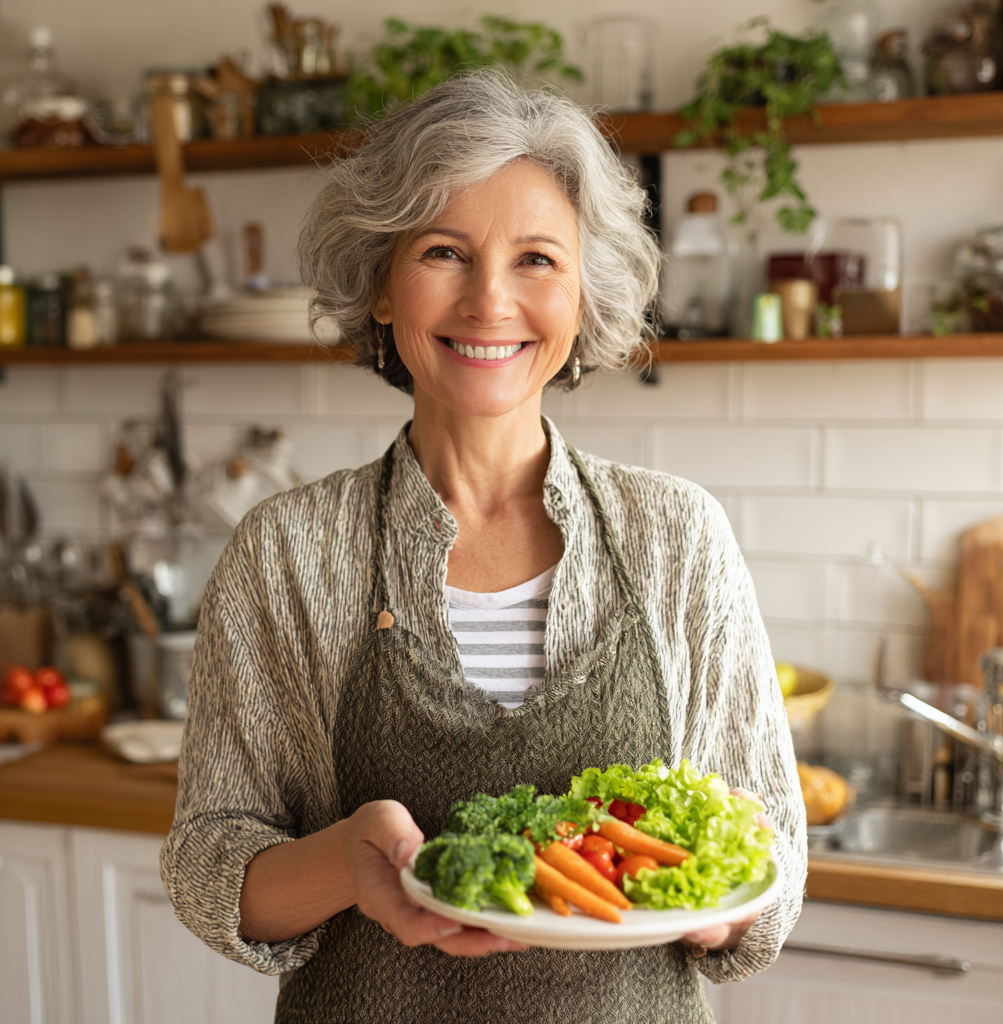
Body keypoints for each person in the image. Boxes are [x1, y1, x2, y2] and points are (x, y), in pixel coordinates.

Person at [160, 71, 806, 1024]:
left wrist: (708, 894)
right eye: (443, 251)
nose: (489, 301)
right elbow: (211, 869)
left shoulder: (679, 538)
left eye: (537, 258)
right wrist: (348, 859)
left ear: (586, 293)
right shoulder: (288, 552)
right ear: (382, 288)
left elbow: (775, 862)